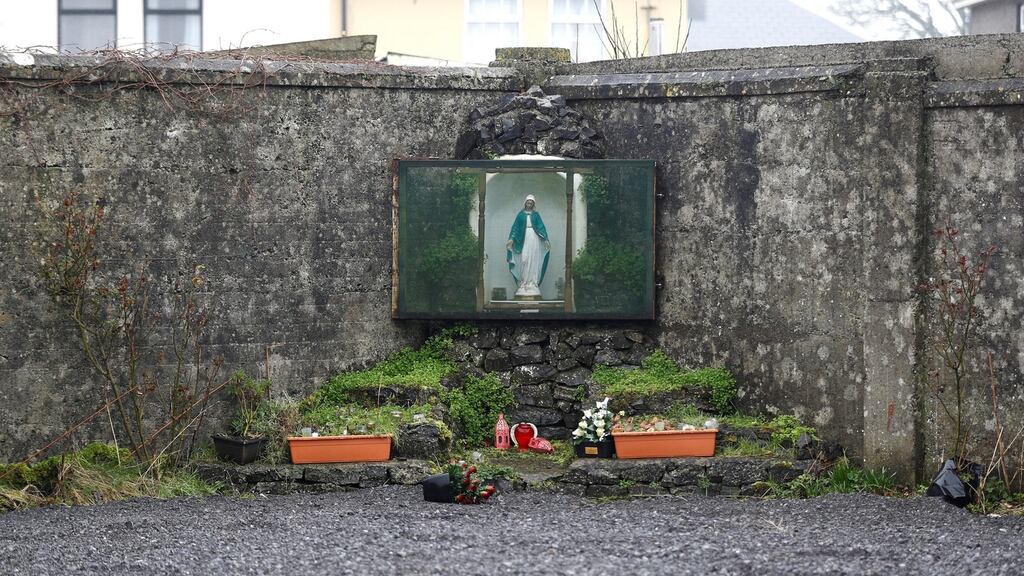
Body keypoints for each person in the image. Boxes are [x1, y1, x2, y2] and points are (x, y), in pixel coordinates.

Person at [506, 194, 551, 298]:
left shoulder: (536, 215)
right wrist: (511, 239)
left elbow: (541, 228)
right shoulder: (520, 215)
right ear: (525, 203)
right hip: (524, 238)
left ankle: (532, 283)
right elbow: (515, 228)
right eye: (528, 202)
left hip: (534, 238)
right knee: (524, 259)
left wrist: (546, 239)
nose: (529, 204)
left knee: (534, 260)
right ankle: (523, 283)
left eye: (531, 202)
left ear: (533, 204)